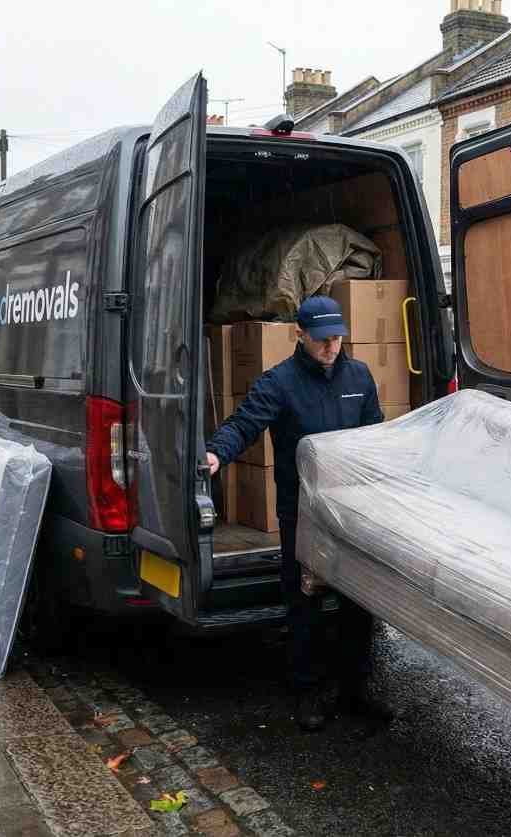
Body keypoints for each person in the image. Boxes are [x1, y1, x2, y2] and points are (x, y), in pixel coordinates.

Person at [206, 296, 386, 735]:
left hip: (350, 508)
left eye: (337, 338)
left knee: (357, 601)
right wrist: (215, 452)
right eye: (322, 339)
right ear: (300, 335)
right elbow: (245, 423)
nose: (331, 347)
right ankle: (307, 690)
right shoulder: (280, 383)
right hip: (302, 511)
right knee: (303, 600)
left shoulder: (359, 376)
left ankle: (354, 690)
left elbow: (377, 436)